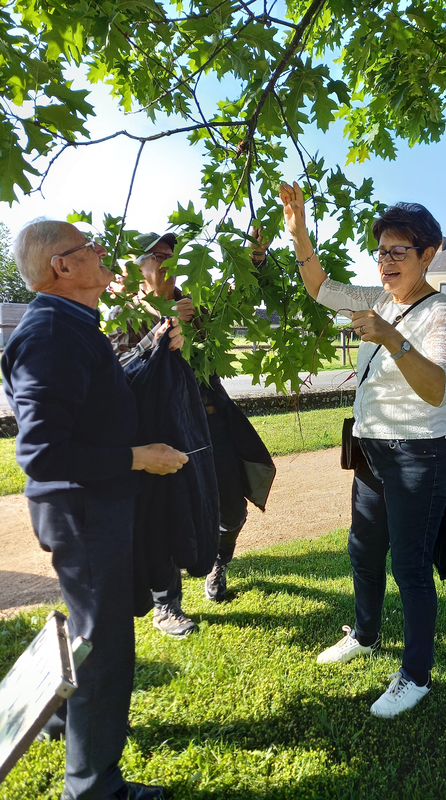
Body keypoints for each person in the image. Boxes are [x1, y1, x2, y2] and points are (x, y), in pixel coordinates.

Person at [1, 220, 189, 799]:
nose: (104, 253)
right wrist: (137, 456)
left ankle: (63, 723)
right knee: (105, 648)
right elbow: (41, 451)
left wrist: (151, 350)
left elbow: (92, 406)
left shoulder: (72, 322)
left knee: (91, 634)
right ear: (62, 266)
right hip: (83, 514)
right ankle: (92, 787)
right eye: (91, 248)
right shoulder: (51, 333)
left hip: (93, 509)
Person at [280, 182, 446, 718]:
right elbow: (320, 287)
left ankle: (416, 675)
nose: (385, 262)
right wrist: (299, 234)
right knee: (362, 550)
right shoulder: (375, 297)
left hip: (421, 454)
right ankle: (364, 635)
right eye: (381, 250)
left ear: (428, 255)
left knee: (409, 565)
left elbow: (437, 388)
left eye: (397, 252)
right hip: (372, 450)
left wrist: (391, 337)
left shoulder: (444, 314)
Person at [108, 231, 275, 619]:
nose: (167, 261)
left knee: (231, 512)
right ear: (139, 266)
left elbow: (237, 295)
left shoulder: (196, 300)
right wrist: (160, 329)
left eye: (172, 254)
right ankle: (168, 604)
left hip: (210, 424)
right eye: (158, 255)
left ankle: (219, 561)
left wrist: (255, 256)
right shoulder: (122, 313)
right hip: (161, 435)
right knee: (166, 514)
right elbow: (121, 374)